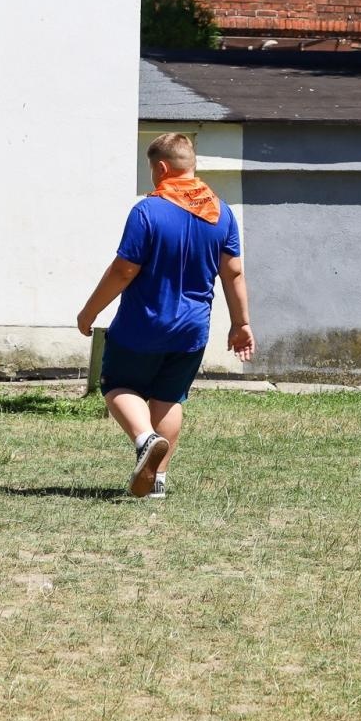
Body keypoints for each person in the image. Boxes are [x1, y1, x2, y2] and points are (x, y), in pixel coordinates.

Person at [76, 134, 254, 499]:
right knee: (169, 397)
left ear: (161, 168)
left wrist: (90, 311)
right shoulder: (221, 213)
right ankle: (157, 480)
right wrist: (241, 323)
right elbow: (233, 272)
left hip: (143, 324)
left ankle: (145, 441)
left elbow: (124, 271)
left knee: (117, 386)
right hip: (192, 330)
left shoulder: (148, 211)